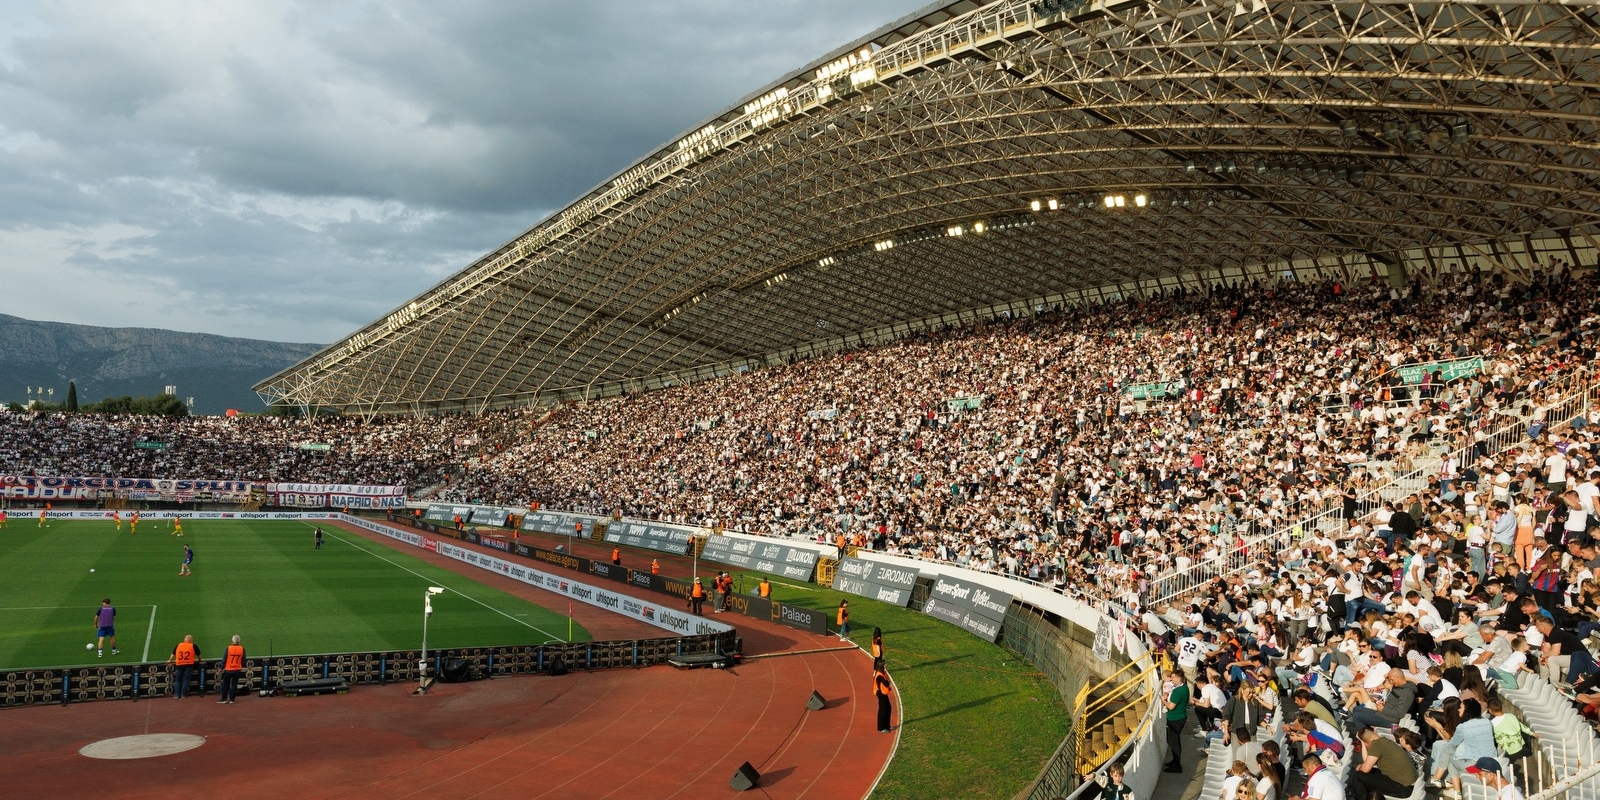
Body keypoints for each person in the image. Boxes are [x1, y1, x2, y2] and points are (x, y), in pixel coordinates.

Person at [1348, 725, 1418, 799]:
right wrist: (1363, 742)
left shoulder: (1377, 745)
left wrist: (1361, 768)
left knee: (1357, 776)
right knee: (1367, 772)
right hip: (1408, 783)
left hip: (1403, 787)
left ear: (1366, 742)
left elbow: (1365, 769)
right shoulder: (1383, 741)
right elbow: (1367, 762)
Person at [1163, 669, 1189, 773]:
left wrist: (1163, 700)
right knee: (1173, 741)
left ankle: (1177, 765)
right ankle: (1175, 761)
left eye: (1173, 677)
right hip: (1178, 717)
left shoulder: (1179, 691)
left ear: (1178, 678)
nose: (1171, 679)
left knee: (1174, 742)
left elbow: (1171, 706)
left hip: (1175, 719)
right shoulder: (1183, 688)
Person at [167, 635, 200, 699]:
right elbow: (199, 655)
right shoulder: (193, 645)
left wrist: (169, 660)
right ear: (190, 640)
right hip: (189, 665)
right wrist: (200, 660)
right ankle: (183, 694)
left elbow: (173, 654)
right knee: (186, 680)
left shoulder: (178, 645)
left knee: (177, 680)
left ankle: (176, 694)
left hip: (179, 664)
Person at [218, 635, 245, 704]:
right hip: (237, 669)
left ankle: (224, 698)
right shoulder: (242, 648)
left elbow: (224, 659)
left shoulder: (228, 648)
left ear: (232, 641)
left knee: (226, 684)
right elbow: (243, 660)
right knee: (234, 684)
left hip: (228, 669)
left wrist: (221, 668)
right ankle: (232, 699)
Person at [873, 657, 893, 732]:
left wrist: (887, 681)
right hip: (881, 693)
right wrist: (888, 682)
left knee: (888, 707)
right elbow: (886, 683)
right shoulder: (880, 675)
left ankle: (887, 725)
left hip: (883, 692)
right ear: (882, 665)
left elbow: (886, 682)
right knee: (883, 709)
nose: (886, 665)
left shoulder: (882, 672)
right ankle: (881, 727)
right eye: (885, 664)